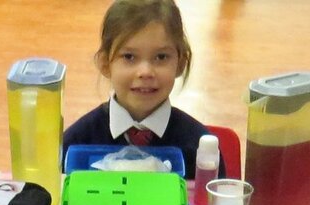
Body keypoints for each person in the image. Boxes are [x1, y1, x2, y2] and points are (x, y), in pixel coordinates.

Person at [62, 0, 224, 180]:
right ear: (105, 63)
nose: (145, 72)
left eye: (161, 57)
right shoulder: (73, 144)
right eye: (129, 57)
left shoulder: (201, 153)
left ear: (181, 63)